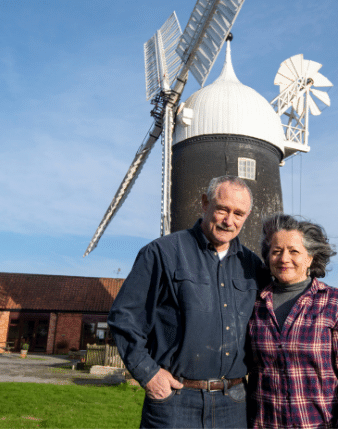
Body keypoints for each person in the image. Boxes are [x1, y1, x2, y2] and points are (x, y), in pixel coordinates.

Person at [108, 175, 266, 429]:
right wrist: (148, 374)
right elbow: (125, 319)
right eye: (222, 209)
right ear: (205, 203)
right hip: (176, 401)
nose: (229, 221)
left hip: (234, 403)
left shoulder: (252, 265)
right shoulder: (161, 253)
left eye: (239, 213)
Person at [247, 213, 338, 429]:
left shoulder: (336, 303)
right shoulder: (255, 304)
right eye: (276, 251)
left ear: (310, 258)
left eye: (294, 251)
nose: (284, 258)